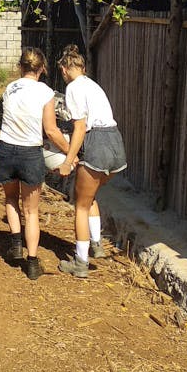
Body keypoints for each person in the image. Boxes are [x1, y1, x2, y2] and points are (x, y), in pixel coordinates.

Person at [0, 47, 71, 280]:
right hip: (30, 154)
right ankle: (33, 262)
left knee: (10, 198)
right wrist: (70, 153)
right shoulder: (46, 92)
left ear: (20, 66)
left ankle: (16, 244)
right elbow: (51, 130)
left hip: (5, 149)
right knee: (32, 210)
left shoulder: (9, 88)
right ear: (42, 68)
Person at [56, 44, 127, 279]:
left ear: (65, 69)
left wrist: (68, 160)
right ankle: (96, 244)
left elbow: (79, 127)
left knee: (80, 205)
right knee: (91, 195)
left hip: (97, 143)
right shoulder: (93, 85)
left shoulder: (74, 88)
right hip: (116, 144)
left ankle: (81, 262)